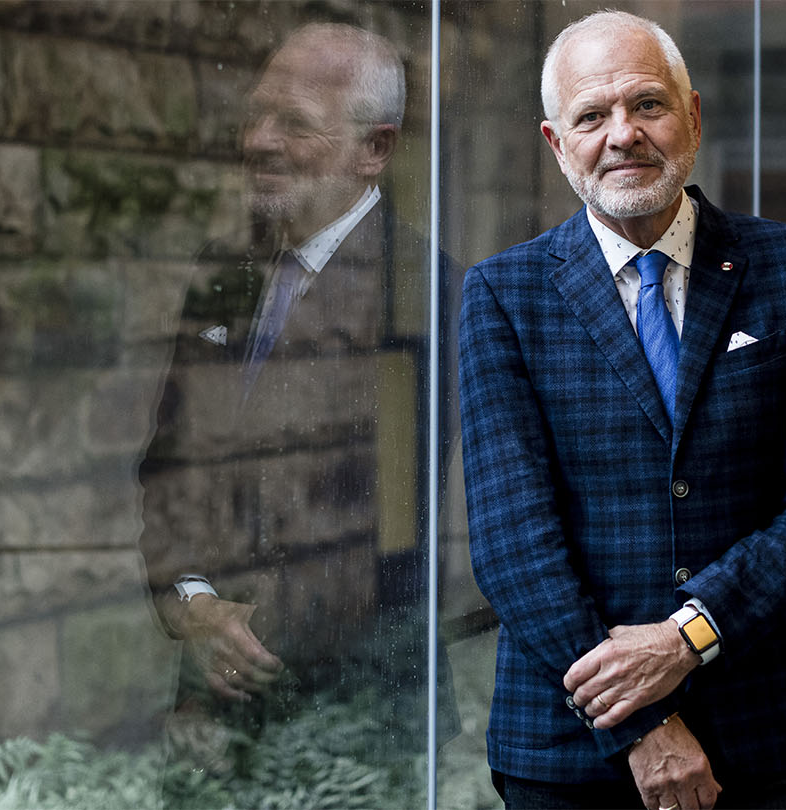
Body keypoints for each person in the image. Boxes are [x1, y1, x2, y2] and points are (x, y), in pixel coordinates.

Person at [458, 11, 786, 810]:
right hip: (570, 756)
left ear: (693, 115)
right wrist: (642, 725)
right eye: (591, 116)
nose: (623, 135)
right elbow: (513, 545)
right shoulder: (504, 295)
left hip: (760, 735)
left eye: (647, 104)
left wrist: (690, 636)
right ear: (555, 142)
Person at [136, 21, 453, 777]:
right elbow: (170, 470)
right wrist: (195, 609)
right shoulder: (226, 272)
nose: (258, 141)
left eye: (296, 124)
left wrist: (237, 647)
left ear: (374, 149)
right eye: (256, 115)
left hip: (352, 726)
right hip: (209, 714)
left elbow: (377, 527)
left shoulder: (425, 294)